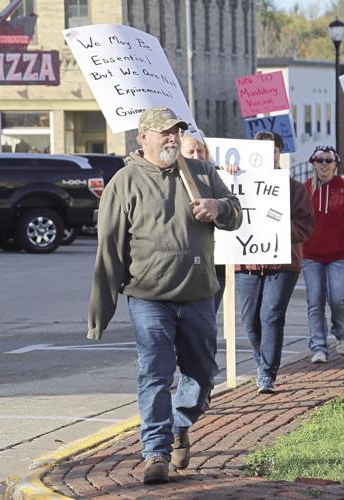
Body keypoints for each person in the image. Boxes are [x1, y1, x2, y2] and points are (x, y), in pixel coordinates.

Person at [87, 107, 242, 485]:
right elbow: (109, 249)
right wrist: (100, 313)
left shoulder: (202, 173)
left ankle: (179, 423)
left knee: (202, 373)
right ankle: (155, 451)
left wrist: (217, 207)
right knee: (154, 372)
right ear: (143, 137)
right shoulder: (124, 182)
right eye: (164, 133)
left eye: (176, 132)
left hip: (198, 293)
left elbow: (235, 214)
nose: (172, 138)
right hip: (148, 297)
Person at [236, 131, 315, 394]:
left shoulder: (293, 188)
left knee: (271, 315)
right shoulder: (238, 182)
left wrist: (278, 230)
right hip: (247, 262)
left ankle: (268, 373)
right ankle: (261, 364)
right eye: (261, 150)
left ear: (280, 153)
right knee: (250, 320)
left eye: (274, 150)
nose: (268, 155)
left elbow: (305, 226)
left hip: (282, 263)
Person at [302, 145, 344, 364]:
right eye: (319, 160)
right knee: (315, 301)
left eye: (328, 161)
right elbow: (295, 220)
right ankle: (319, 346)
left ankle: (341, 334)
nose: (324, 165)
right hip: (311, 255)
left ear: (336, 164)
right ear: (313, 163)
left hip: (338, 254)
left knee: (337, 298)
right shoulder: (305, 189)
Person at [179, 133, 226, 312]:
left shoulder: (217, 175)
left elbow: (233, 203)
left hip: (215, 263)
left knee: (205, 319)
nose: (196, 156)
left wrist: (234, 173)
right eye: (190, 152)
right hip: (185, 264)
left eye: (200, 151)